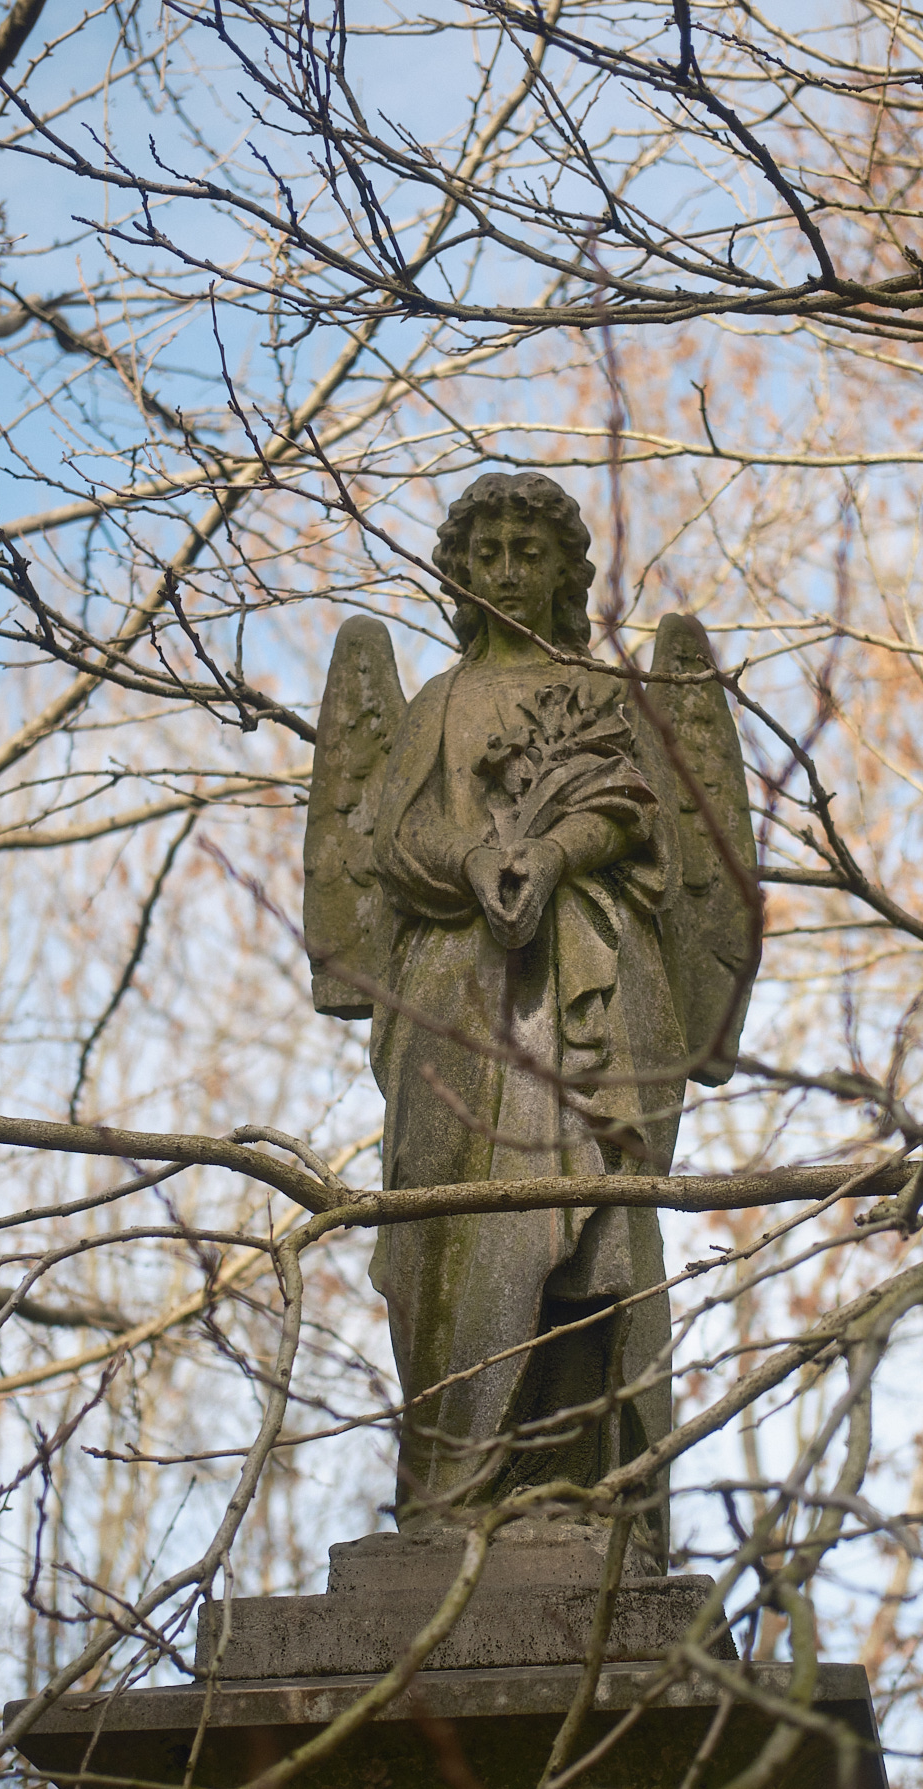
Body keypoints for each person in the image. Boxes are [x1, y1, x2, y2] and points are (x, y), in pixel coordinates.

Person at [365, 472, 690, 1557]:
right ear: (457, 576)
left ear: (565, 574)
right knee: (443, 1223)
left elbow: (636, 807)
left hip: (585, 976)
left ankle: (568, 1481)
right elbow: (387, 839)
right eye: (486, 552)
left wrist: (551, 851)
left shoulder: (597, 696)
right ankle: (450, 1487)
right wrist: (472, 855)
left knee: (584, 1213)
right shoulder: (435, 707)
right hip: (454, 991)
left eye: (528, 550)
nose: (507, 569)